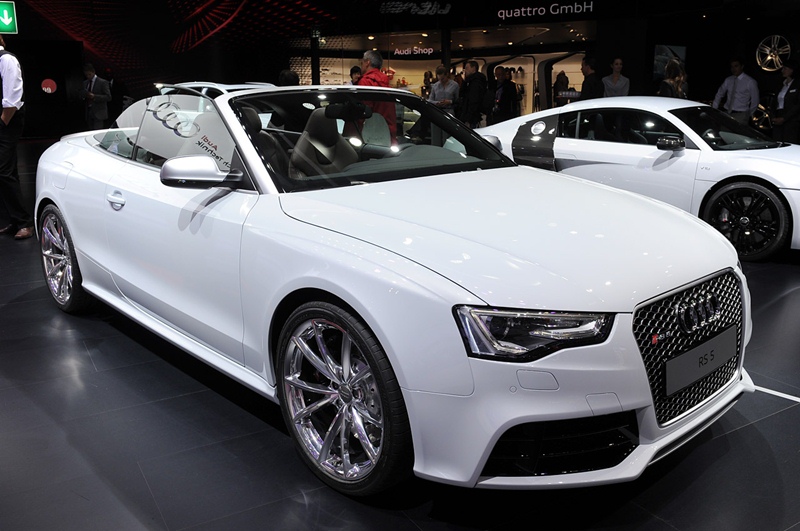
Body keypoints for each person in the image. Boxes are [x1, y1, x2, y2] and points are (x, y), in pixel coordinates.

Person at [0, 35, 31, 240]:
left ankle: (24, 222)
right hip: (4, 122)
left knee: (2, 171)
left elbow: (12, 99)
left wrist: (2, 124)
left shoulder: (6, 59)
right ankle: (16, 220)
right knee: (8, 171)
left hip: (8, 122)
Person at [357, 50, 396, 141]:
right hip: (388, 134)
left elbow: (364, 111)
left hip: (371, 135)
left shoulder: (365, 82)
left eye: (362, 63)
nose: (361, 66)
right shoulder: (386, 84)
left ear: (367, 63)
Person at [712, 57, 759, 125]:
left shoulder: (750, 82)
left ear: (742, 66)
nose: (733, 69)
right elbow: (719, 93)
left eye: (736, 66)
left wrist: (748, 114)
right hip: (727, 113)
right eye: (732, 67)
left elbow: (755, 100)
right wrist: (714, 109)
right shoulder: (728, 80)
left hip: (741, 114)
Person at [771, 59, 800, 143]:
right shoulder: (780, 84)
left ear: (792, 70)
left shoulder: (797, 85)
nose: (782, 71)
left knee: (789, 141)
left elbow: (797, 105)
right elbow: (774, 102)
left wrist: (784, 118)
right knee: (777, 141)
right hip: (778, 117)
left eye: (785, 68)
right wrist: (773, 116)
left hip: (791, 120)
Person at [456, 60, 488, 128]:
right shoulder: (470, 81)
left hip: (471, 114)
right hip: (470, 113)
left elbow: (473, 99)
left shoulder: (476, 83)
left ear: (473, 68)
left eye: (467, 68)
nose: (465, 70)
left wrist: (469, 116)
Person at [80, 63, 111, 130]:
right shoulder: (85, 83)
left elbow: (108, 97)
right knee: (90, 130)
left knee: (97, 130)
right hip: (89, 111)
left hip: (99, 112)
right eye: (86, 75)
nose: (88, 76)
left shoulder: (102, 82)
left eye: (89, 74)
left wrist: (94, 96)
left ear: (93, 72)